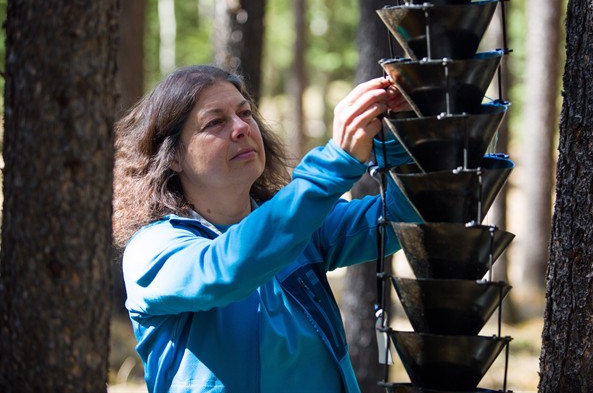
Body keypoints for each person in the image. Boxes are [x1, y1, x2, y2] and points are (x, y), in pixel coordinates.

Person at [113, 65, 420, 393]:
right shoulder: (152, 249)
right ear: (172, 156)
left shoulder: (299, 226)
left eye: (245, 113)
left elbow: (407, 212)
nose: (241, 127)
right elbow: (229, 268)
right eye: (215, 122)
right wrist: (335, 161)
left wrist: (397, 136)